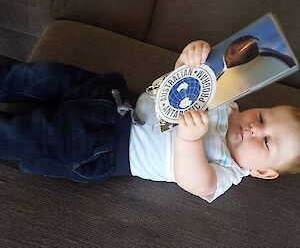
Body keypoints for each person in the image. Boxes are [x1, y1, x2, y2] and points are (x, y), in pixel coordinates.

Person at [0, 41, 299, 203]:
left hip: (99, 147)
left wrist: (190, 140)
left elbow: (195, 183)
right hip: (110, 97)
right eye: (262, 117)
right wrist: (188, 60)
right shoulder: (227, 100)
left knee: (22, 136)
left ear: (263, 172)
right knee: (41, 76)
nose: (255, 128)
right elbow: (183, 83)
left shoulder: (229, 170)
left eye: (267, 141)